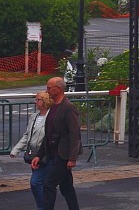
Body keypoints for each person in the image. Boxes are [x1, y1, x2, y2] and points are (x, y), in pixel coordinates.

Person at [35, 77, 81, 210]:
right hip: (54, 153)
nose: (47, 90)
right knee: (66, 187)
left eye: (49, 88)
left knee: (49, 184)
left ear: (58, 89)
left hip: (63, 154)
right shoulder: (53, 107)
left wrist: (72, 158)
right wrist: (40, 154)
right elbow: (48, 133)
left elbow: (74, 133)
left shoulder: (68, 107)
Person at [11, 91, 54, 210]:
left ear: (45, 101)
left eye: (38, 100)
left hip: (45, 154)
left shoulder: (51, 117)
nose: (36, 102)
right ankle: (46, 206)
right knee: (44, 184)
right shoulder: (33, 116)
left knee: (36, 182)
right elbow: (27, 135)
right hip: (33, 153)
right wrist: (16, 150)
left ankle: (43, 207)